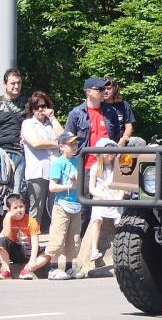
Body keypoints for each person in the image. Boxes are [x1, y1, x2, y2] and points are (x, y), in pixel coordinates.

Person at [64, 77, 121, 234]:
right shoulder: (76, 114)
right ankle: (80, 246)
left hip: (107, 168)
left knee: (106, 208)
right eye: (100, 89)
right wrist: (71, 167)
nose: (105, 92)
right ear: (88, 92)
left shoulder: (111, 112)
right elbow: (68, 142)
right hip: (85, 167)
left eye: (106, 89)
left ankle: (100, 248)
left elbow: (115, 139)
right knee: (82, 208)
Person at [44, 132, 84, 279]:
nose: (75, 146)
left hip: (76, 205)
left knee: (73, 238)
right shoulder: (58, 163)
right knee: (58, 236)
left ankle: (69, 267)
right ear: (61, 147)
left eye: (76, 143)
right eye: (71, 144)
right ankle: (53, 268)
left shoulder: (77, 162)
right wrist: (69, 186)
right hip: (61, 205)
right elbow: (52, 187)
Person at [20, 91, 63, 228]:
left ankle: (54, 244)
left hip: (55, 172)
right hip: (37, 172)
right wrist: (56, 144)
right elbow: (36, 143)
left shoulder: (51, 124)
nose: (39, 109)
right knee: (36, 209)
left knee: (56, 208)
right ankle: (32, 244)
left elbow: (64, 138)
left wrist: (53, 117)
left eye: (43, 106)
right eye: (36, 106)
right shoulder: (27, 124)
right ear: (31, 109)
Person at [86, 139, 123, 262]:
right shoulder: (96, 167)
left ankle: (122, 248)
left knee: (119, 222)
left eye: (112, 150)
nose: (110, 153)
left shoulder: (118, 167)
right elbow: (92, 188)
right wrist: (101, 196)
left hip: (115, 198)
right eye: (107, 150)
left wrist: (119, 197)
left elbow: (121, 186)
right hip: (101, 198)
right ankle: (94, 249)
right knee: (96, 220)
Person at [0, 193, 49, 279]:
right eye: (15, 208)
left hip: (29, 251)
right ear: (9, 210)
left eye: (21, 206)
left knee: (49, 252)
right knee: (1, 241)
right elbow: (7, 237)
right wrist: (7, 217)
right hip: (15, 251)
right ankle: (6, 271)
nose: (19, 210)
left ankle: (27, 270)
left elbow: (35, 242)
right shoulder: (7, 219)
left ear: (25, 206)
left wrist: (32, 260)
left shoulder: (31, 221)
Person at [0, 69, 28, 194]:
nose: (16, 86)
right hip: (1, 153)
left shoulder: (28, 103)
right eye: (12, 83)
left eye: (19, 83)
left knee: (17, 194)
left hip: (20, 153)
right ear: (4, 84)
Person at [103, 77, 136, 147]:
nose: (105, 91)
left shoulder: (124, 105)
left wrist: (124, 138)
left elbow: (129, 126)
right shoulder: (98, 105)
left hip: (121, 140)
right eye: (103, 88)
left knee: (139, 142)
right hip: (103, 141)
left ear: (115, 89)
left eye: (109, 88)